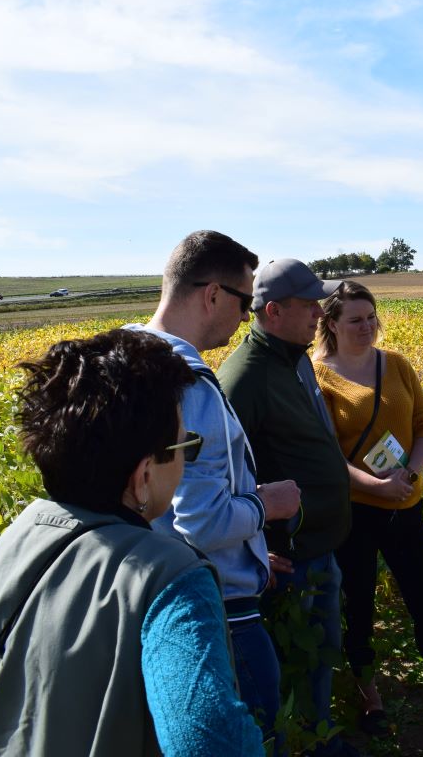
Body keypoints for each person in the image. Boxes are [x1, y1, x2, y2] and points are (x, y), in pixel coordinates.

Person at [0, 328, 265, 756]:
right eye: (187, 445)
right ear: (143, 475)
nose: (187, 459)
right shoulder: (171, 575)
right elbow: (206, 740)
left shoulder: (15, 537)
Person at [126, 230, 303, 742]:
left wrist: (247, 549)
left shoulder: (122, 357)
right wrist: (264, 506)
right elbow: (201, 521)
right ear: (212, 295)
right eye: (246, 303)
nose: (247, 317)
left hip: (148, 595)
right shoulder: (190, 382)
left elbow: (162, 510)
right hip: (220, 616)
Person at [312, 281, 423, 736]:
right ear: (331, 324)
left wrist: (408, 475)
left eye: (371, 316)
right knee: (360, 603)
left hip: (405, 504)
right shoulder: (318, 377)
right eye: (355, 319)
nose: (368, 326)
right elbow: (327, 453)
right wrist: (375, 485)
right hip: (356, 511)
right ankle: (370, 696)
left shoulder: (396, 364)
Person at [217, 258, 357, 757]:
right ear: (273, 310)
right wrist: (254, 547)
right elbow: (224, 477)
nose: (320, 312)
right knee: (293, 661)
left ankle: (316, 734)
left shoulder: (294, 357)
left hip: (318, 546)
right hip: (286, 560)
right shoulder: (243, 378)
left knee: (319, 653)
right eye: (309, 304)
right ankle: (302, 744)